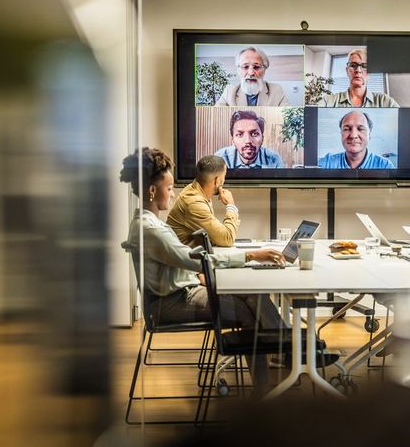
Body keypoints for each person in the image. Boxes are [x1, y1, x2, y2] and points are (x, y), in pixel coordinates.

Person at [119, 148, 284, 384]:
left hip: (177, 293)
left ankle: (282, 355)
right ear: (153, 191)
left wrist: (197, 277)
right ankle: (271, 378)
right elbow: (196, 260)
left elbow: (178, 262)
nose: (174, 194)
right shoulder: (151, 229)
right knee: (250, 308)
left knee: (251, 295)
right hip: (170, 304)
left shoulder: (148, 223)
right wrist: (251, 256)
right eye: (169, 189)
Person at [167, 155, 240, 246]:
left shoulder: (196, 190)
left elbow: (214, 237)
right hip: (183, 258)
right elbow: (227, 238)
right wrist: (231, 205)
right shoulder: (194, 203)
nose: (224, 180)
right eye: (224, 177)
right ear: (217, 181)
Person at [316, 49, 400, 108]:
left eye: (365, 66)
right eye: (353, 65)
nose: (358, 70)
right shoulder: (328, 102)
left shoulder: (385, 102)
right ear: (347, 71)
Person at [317, 110, 395, 169]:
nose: (353, 135)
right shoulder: (327, 162)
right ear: (341, 133)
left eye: (360, 129)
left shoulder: (385, 165)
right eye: (347, 129)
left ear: (369, 134)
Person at [215, 46, 289, 107]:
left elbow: (288, 119)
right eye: (245, 67)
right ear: (238, 70)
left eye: (256, 67)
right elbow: (217, 117)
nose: (251, 73)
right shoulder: (229, 91)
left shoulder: (276, 90)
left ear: (264, 69)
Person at [214, 110, 285, 168]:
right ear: (233, 140)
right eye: (240, 135)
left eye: (254, 134)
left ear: (262, 138)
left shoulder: (274, 159)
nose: (248, 141)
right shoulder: (221, 158)